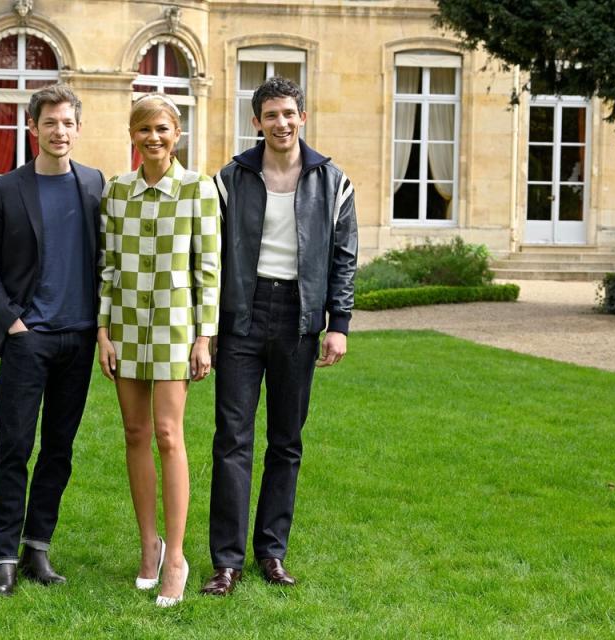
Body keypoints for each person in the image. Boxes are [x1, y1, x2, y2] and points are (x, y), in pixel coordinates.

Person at [200, 77, 358, 596]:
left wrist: (339, 324)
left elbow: (343, 258)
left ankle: (272, 553)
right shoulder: (231, 179)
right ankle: (226, 562)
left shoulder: (333, 182)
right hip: (241, 317)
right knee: (233, 441)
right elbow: (213, 255)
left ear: (303, 117)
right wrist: (212, 327)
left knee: (286, 442)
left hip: (299, 318)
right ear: (257, 122)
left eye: (289, 113)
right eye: (271, 115)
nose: (281, 123)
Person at [0, 84, 105, 597]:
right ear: (33, 128)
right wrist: (12, 323)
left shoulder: (94, 185)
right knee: (14, 446)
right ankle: (2, 556)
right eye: (50, 123)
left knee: (59, 450)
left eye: (68, 123)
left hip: (78, 339)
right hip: (29, 340)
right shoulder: (5, 189)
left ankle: (37, 549)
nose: (59, 131)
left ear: (78, 128)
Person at [97, 94, 220, 607]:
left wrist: (203, 337)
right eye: (145, 128)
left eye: (163, 128)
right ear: (133, 134)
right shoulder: (116, 191)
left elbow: (207, 269)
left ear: (178, 134)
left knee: (169, 435)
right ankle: (149, 545)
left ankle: (176, 558)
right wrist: (102, 332)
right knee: (134, 432)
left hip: (174, 326)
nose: (154, 137)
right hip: (124, 323)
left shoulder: (198, 189)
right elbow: (106, 267)